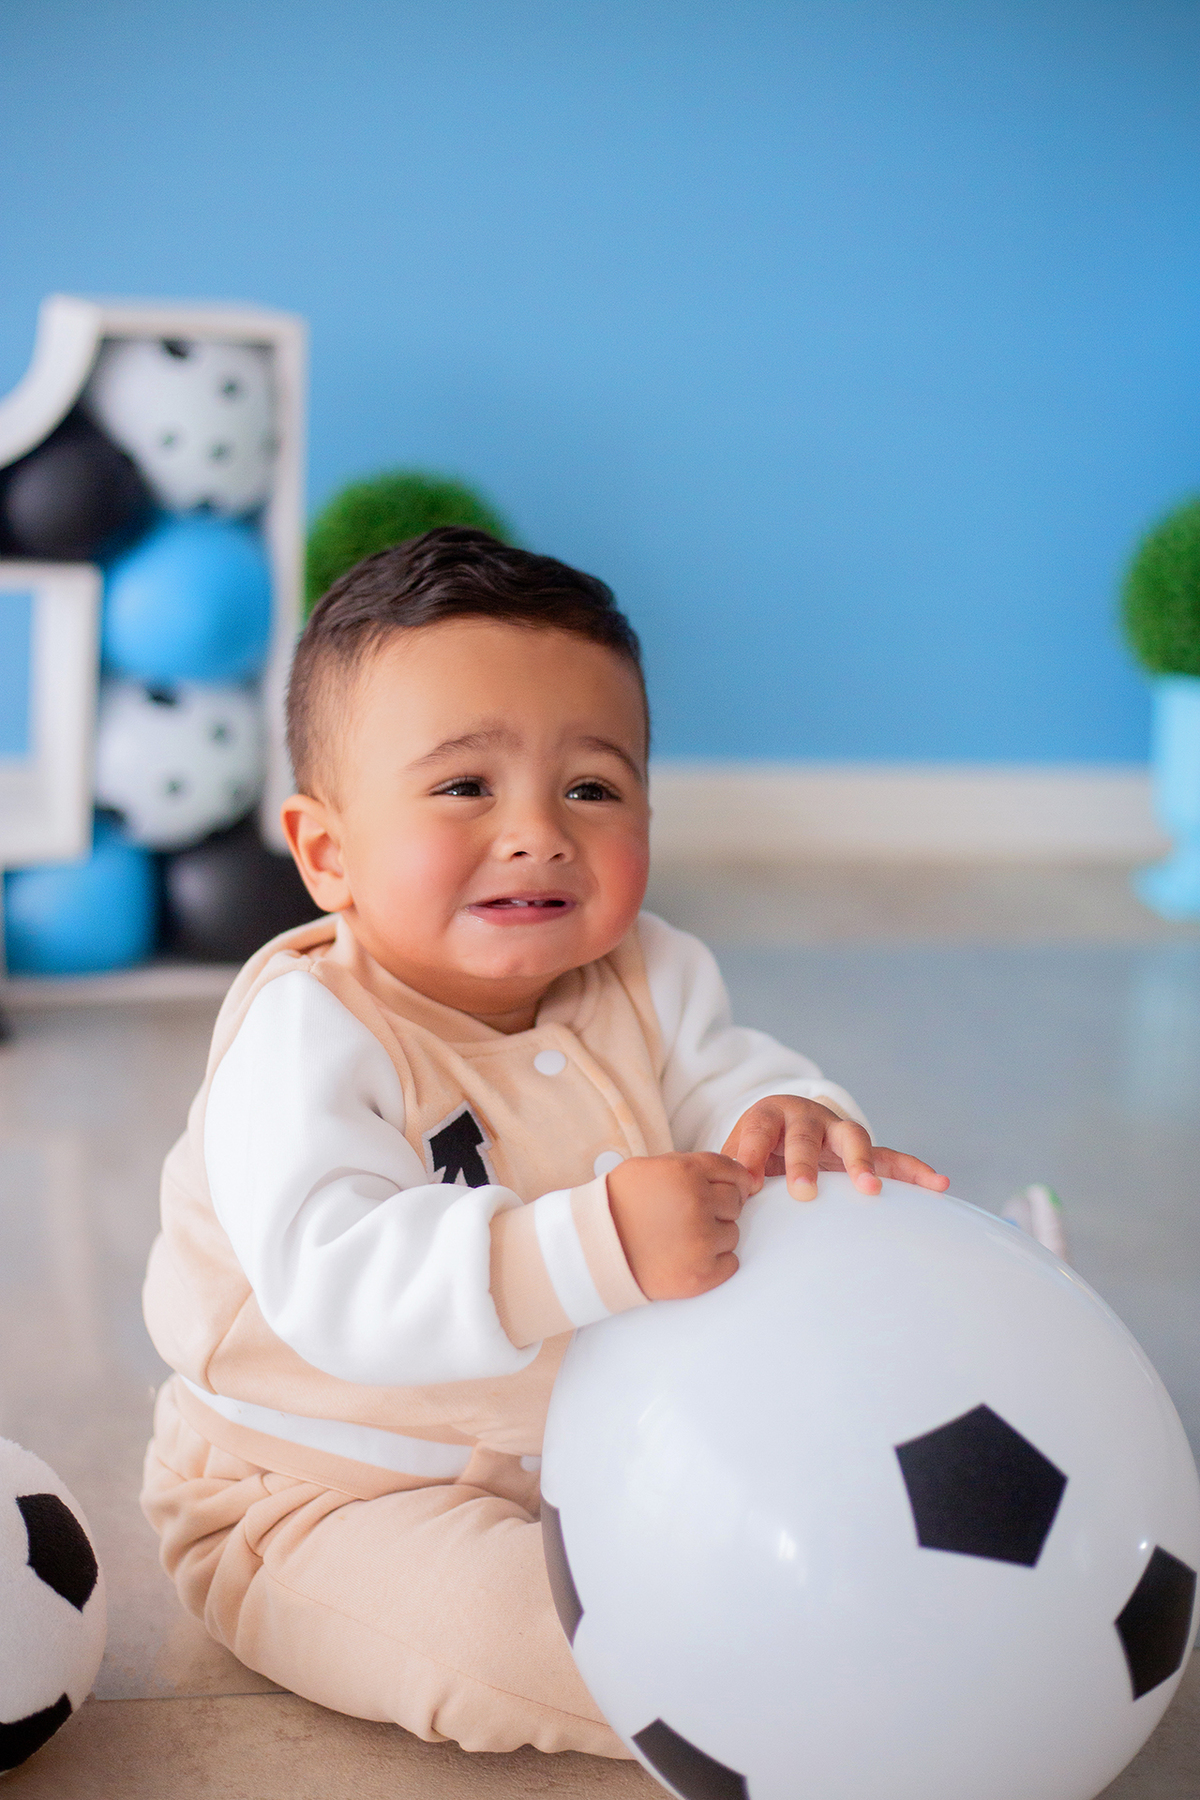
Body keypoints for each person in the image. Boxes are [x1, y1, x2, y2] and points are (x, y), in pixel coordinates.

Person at [140, 528, 948, 1757]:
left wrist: (790, 1118)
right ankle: (783, 1712)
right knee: (538, 1635)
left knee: (821, 1500)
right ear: (326, 853)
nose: (538, 831)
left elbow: (726, 1077)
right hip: (318, 1491)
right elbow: (338, 1277)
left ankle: (861, 1623)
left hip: (601, 1442)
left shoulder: (648, 972)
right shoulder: (306, 1033)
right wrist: (598, 1240)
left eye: (593, 787)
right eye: (465, 787)